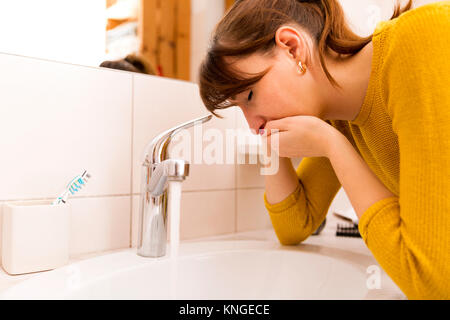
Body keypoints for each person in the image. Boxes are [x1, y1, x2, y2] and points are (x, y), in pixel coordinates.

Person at [198, 0, 450, 299]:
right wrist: (271, 135)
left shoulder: (421, 41)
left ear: (292, 48)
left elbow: (432, 281)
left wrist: (334, 146)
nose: (252, 125)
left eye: (250, 94)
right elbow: (294, 227)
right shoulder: (340, 118)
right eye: (240, 108)